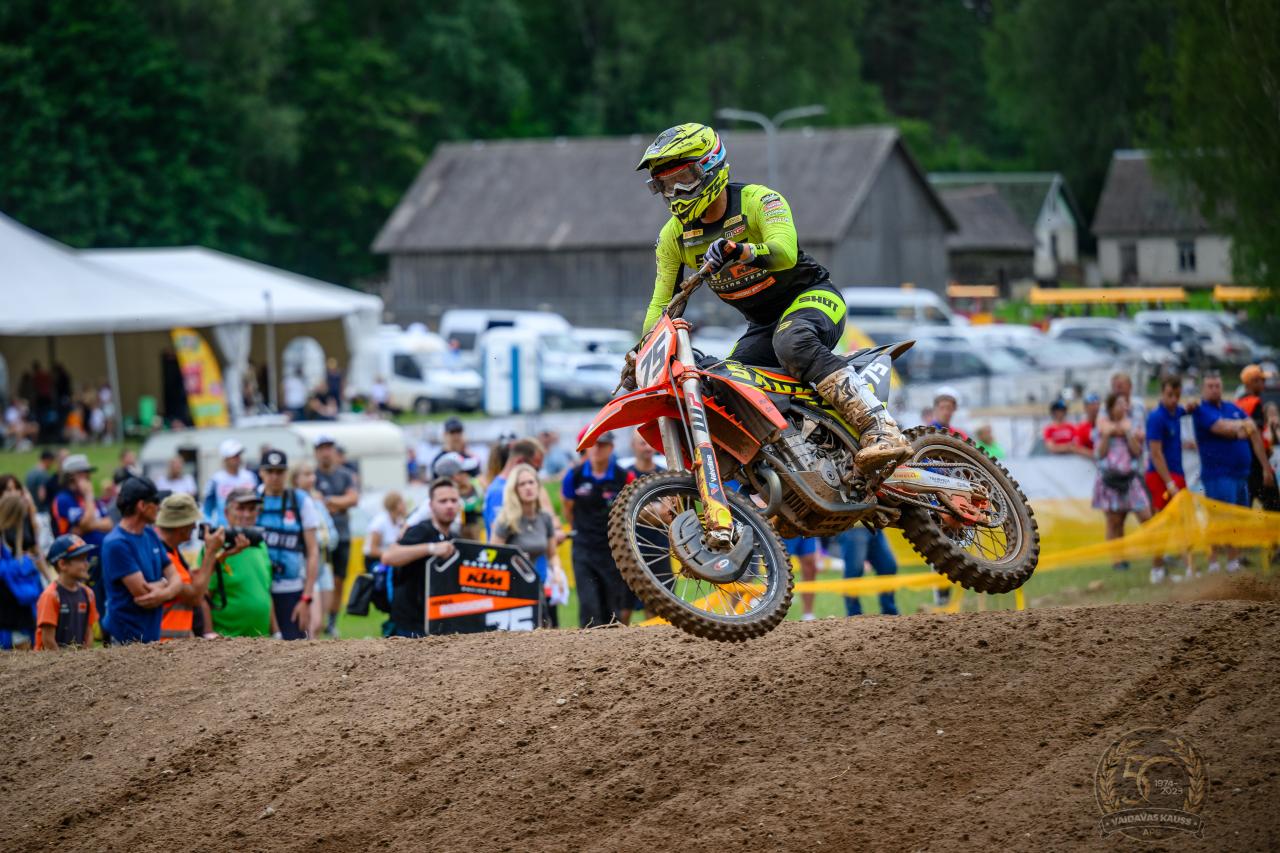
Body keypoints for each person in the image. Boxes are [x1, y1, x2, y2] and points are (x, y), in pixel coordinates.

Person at [637, 122, 908, 478]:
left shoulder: (758, 200)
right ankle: (785, 472)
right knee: (725, 384)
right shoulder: (673, 237)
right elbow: (661, 306)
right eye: (665, 185)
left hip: (811, 297)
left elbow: (785, 252)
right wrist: (641, 354)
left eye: (683, 179)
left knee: (792, 341)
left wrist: (742, 250)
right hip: (764, 325)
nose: (676, 193)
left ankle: (880, 427)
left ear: (710, 167)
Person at [1193, 372, 1273, 572]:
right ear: (1203, 389)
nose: (1214, 390)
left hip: (1241, 474)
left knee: (1237, 519)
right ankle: (1213, 562)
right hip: (1218, 475)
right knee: (1219, 519)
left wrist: (1265, 467)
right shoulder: (1202, 410)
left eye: (1217, 386)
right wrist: (1243, 426)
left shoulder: (1231, 408)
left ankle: (1233, 561)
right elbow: (1223, 428)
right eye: (1210, 386)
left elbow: (1253, 431)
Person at [562, 432, 635, 627]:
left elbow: (633, 507)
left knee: (613, 604)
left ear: (611, 448)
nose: (597, 449)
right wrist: (581, 530)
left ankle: (614, 644)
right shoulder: (574, 476)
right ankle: (588, 644)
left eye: (602, 444)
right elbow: (567, 508)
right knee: (588, 604)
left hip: (613, 549)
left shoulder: (623, 476)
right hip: (583, 547)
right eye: (592, 444)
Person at [100, 477, 180, 644]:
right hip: (125, 640)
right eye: (155, 501)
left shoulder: (150, 534)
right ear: (142, 505)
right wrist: (168, 584)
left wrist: (164, 588)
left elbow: (177, 578)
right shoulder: (116, 544)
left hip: (150, 636)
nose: (159, 506)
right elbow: (144, 595)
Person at [153, 494, 240, 640]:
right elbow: (194, 596)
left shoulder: (171, 551)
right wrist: (211, 551)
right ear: (181, 526)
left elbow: (195, 581)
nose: (195, 527)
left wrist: (224, 554)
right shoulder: (164, 556)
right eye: (192, 522)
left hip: (173, 644)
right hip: (164, 645)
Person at [381, 478, 460, 638]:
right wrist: (431, 548)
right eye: (443, 501)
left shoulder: (454, 537)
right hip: (411, 625)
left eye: (453, 500)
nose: (449, 505)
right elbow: (389, 557)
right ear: (430, 505)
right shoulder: (422, 530)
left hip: (437, 622)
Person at [492, 463, 566, 628]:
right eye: (522, 484)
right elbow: (493, 556)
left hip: (535, 583)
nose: (528, 487)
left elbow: (552, 554)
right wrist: (514, 560)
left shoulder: (545, 518)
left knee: (544, 627)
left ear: (538, 486)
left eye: (531, 482)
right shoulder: (506, 520)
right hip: (511, 589)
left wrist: (557, 572)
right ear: (514, 489)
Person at [256, 450, 319, 640]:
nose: (275, 476)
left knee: (295, 647)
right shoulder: (251, 501)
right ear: (261, 472)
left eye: (279, 471)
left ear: (286, 473)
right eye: (270, 471)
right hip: (259, 589)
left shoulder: (300, 501)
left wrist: (306, 598)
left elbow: (313, 551)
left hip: (290, 589)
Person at [1093, 392, 1151, 572]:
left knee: (1146, 516)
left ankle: (1158, 554)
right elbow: (1100, 453)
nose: (1123, 407)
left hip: (1130, 479)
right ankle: (1118, 560)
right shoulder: (1103, 427)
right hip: (1110, 481)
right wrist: (1107, 435)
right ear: (1111, 408)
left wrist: (1126, 432)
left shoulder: (1131, 426)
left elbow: (1137, 451)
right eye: (1119, 403)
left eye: (1124, 403)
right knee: (1115, 522)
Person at [204, 488, 274, 638]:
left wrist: (277, 632)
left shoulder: (260, 544)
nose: (247, 514)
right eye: (240, 508)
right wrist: (208, 634)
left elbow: (265, 591)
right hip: (226, 641)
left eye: (251, 509)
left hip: (263, 641)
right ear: (226, 513)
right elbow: (203, 595)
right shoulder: (214, 546)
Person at [1145, 377, 1195, 583]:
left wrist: (1192, 406)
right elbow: (1155, 454)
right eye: (1170, 395)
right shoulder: (1156, 417)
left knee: (1183, 521)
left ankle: (1190, 569)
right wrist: (1169, 482)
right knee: (1163, 523)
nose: (1174, 399)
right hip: (1161, 475)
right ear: (1162, 394)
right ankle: (1156, 570)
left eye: (1177, 395)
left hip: (1177, 473)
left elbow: (1186, 409)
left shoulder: (1177, 412)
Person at [51, 454, 114, 608]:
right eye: (84, 473)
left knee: (102, 602)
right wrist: (88, 495)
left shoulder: (91, 500)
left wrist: (90, 523)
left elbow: (109, 523)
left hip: (100, 558)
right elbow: (85, 523)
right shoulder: (64, 499)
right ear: (72, 476)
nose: (88, 477)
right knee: (85, 602)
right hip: (78, 561)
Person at [313, 436, 358, 633]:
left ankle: (332, 621)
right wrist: (341, 503)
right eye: (322, 448)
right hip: (319, 538)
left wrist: (329, 502)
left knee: (339, 579)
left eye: (329, 448)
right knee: (317, 577)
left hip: (342, 534)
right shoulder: (312, 476)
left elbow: (353, 499)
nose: (326, 452)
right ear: (316, 452)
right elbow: (312, 500)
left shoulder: (345, 474)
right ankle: (318, 618)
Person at [292, 461, 340, 637]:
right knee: (314, 622)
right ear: (295, 479)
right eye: (306, 474)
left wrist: (322, 539)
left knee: (320, 623)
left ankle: (314, 652)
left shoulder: (318, 503)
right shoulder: (293, 502)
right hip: (306, 565)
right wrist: (318, 539)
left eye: (312, 474)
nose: (311, 478)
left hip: (324, 564)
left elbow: (331, 532)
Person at [34, 534, 99, 650]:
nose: (87, 564)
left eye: (86, 559)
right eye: (81, 559)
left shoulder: (88, 594)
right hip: (50, 660)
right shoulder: (51, 596)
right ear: (62, 564)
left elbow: (89, 633)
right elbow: (48, 641)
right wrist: (64, 662)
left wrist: (85, 658)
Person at [1238, 364, 1280, 511]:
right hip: (1258, 465)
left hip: (1244, 465)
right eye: (1261, 380)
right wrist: (1266, 468)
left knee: (1243, 510)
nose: (1264, 383)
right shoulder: (1255, 403)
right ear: (1253, 382)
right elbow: (1256, 437)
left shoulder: (1238, 402)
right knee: (1275, 509)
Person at [484, 438, 545, 537]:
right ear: (520, 462)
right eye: (535, 468)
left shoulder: (509, 487)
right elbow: (497, 535)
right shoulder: (499, 491)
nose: (535, 474)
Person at [836, 527, 899, 616]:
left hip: (875, 527)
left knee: (888, 566)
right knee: (854, 571)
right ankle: (854, 615)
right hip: (853, 528)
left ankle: (889, 612)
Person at [427, 453, 484, 539]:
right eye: (464, 472)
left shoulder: (474, 486)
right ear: (455, 476)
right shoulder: (428, 505)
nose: (468, 475)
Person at [202, 439, 257, 526]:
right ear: (225, 458)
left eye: (239, 455)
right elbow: (207, 508)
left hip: (248, 527)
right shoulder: (216, 480)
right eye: (234, 456)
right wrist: (210, 525)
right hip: (224, 528)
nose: (238, 458)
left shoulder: (250, 477)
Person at [365, 492, 407, 571]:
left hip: (389, 559)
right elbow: (372, 550)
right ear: (395, 505)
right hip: (375, 561)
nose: (405, 505)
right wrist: (394, 554)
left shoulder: (400, 521)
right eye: (402, 502)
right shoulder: (380, 522)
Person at [785, 537, 821, 621]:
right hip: (783, 531)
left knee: (810, 564)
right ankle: (773, 610)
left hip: (806, 531)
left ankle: (808, 614)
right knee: (781, 564)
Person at [25, 449, 57, 514]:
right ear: (47, 460)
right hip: (42, 512)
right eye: (52, 461)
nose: (52, 464)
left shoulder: (30, 472)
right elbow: (42, 496)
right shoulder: (43, 475)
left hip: (32, 510)